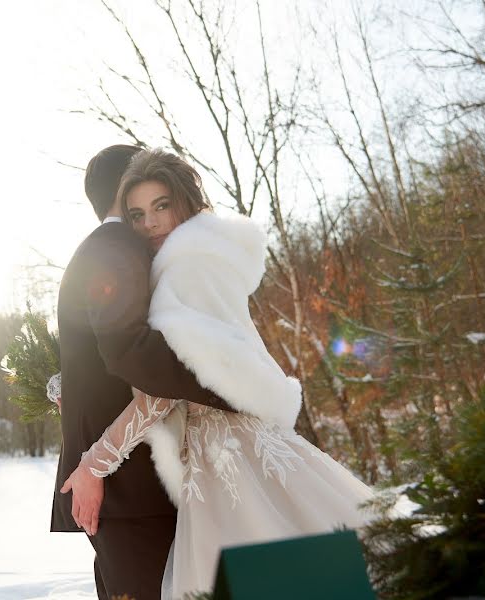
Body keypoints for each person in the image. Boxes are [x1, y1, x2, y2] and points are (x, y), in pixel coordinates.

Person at [61, 149, 375, 599]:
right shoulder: (198, 261)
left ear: (185, 202)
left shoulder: (185, 271)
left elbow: (166, 387)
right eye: (137, 213)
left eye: (161, 206)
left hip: (228, 452)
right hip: (221, 448)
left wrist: (97, 460)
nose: (149, 223)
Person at [50, 144, 236, 600]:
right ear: (125, 187)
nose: (149, 218)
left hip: (122, 486)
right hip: (128, 485)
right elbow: (128, 352)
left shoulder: (101, 249)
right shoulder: (118, 248)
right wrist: (226, 379)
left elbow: (92, 359)